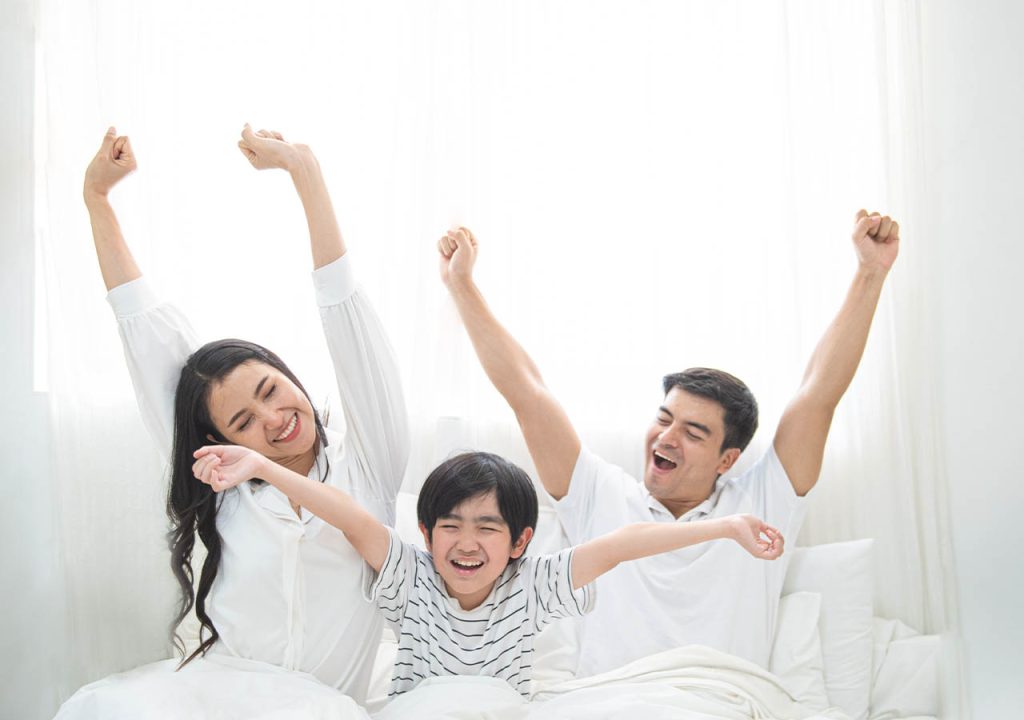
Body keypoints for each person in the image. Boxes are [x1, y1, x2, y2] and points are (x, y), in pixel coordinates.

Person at [436, 212, 900, 676]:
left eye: (694, 433)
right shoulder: (601, 494)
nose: (667, 438)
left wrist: (869, 273)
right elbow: (528, 394)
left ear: (729, 458)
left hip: (720, 703)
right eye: (664, 419)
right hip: (611, 703)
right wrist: (462, 286)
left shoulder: (761, 504)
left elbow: (818, 395)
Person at [79, 125, 410, 702]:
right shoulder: (226, 480)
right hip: (220, 697)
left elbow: (346, 316)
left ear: (290, 375)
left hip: (324, 708)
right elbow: (144, 330)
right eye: (243, 422)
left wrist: (304, 173)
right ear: (220, 439)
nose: (273, 417)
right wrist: (98, 199)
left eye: (271, 389)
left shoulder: (369, 467)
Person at [189, 444, 783, 698]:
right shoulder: (410, 578)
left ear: (521, 541)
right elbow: (347, 515)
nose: (466, 543)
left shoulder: (533, 586)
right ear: (426, 533)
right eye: (451, 524)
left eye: (488, 527)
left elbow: (623, 543)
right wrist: (262, 465)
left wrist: (725, 528)